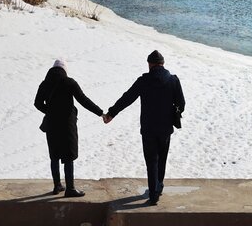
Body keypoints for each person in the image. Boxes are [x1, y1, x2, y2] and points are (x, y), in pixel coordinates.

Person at [103, 50, 185, 205]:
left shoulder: (144, 81)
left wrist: (111, 113)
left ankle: (153, 192)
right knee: (162, 158)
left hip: (148, 128)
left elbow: (127, 98)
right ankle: (158, 187)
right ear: (163, 64)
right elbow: (182, 104)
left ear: (150, 64)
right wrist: (172, 111)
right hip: (165, 128)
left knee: (151, 161)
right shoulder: (173, 81)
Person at [34, 58, 103, 197]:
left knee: (54, 156)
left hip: (52, 124)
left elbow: (37, 103)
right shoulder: (69, 82)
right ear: (64, 70)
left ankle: (57, 186)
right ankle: (70, 188)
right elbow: (83, 100)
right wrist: (101, 113)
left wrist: (50, 111)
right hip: (67, 124)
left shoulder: (45, 83)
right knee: (68, 156)